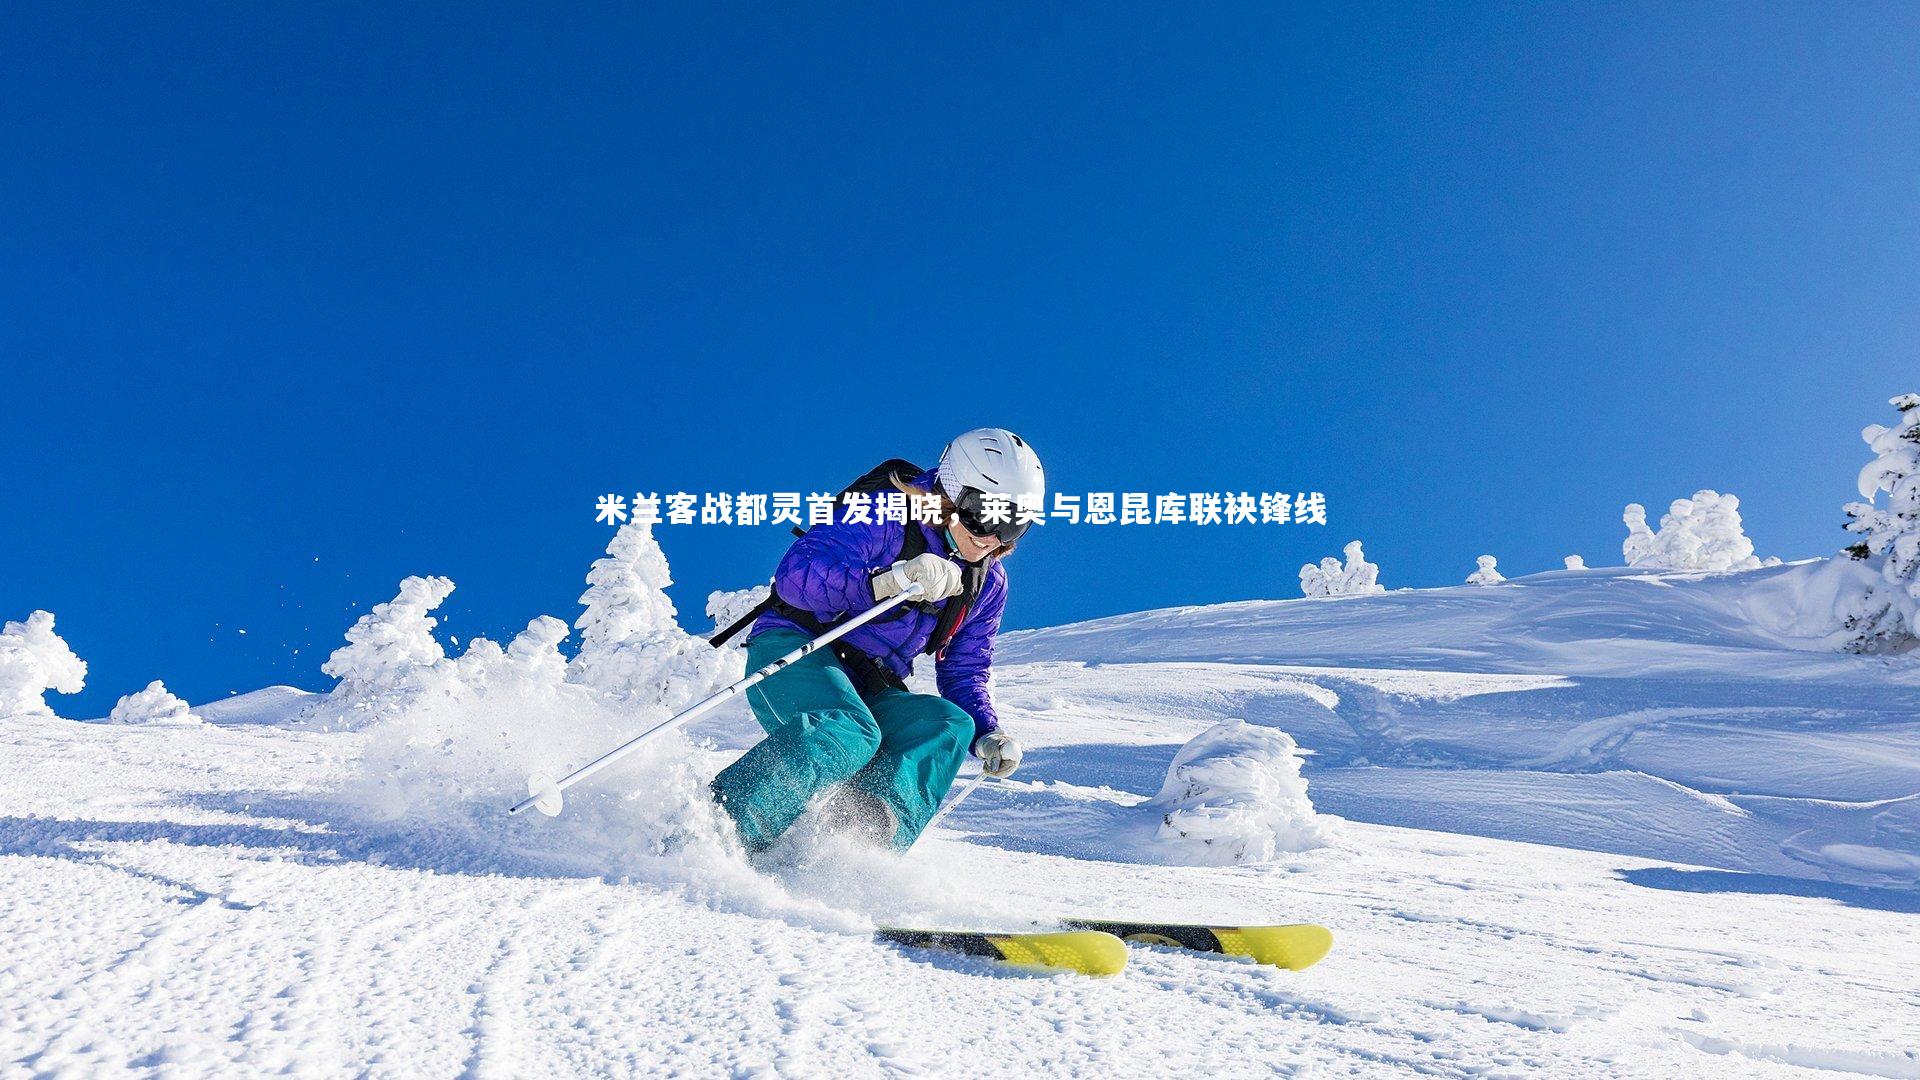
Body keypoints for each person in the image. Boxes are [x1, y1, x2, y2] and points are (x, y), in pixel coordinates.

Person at [709, 428, 1040, 853]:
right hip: (800, 645)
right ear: (950, 492)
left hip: (870, 683)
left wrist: (987, 730)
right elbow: (798, 575)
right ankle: (721, 833)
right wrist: (888, 581)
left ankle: (851, 851)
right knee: (846, 730)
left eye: (1012, 525)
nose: (991, 537)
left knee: (947, 725)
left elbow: (964, 667)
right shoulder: (885, 513)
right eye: (982, 515)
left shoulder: (987, 582)